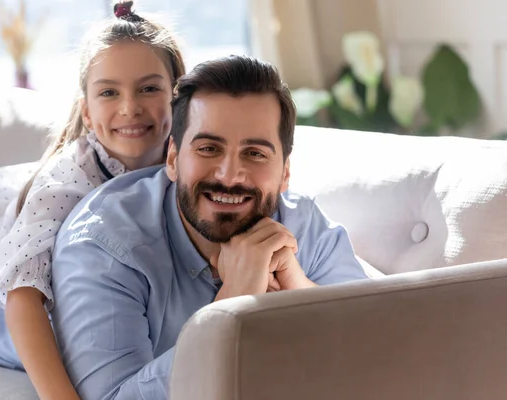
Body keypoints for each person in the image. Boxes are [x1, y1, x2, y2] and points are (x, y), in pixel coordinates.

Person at [0, 2, 185, 399]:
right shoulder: (68, 184)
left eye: (149, 88)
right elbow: (23, 297)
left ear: (177, 94)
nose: (130, 107)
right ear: (87, 113)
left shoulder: (187, 160)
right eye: (109, 92)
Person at [50, 54, 369, 399]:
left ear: (285, 173)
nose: (229, 176)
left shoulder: (303, 227)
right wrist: (233, 302)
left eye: (255, 154)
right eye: (208, 148)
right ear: (173, 158)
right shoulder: (104, 245)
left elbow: (374, 347)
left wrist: (296, 290)